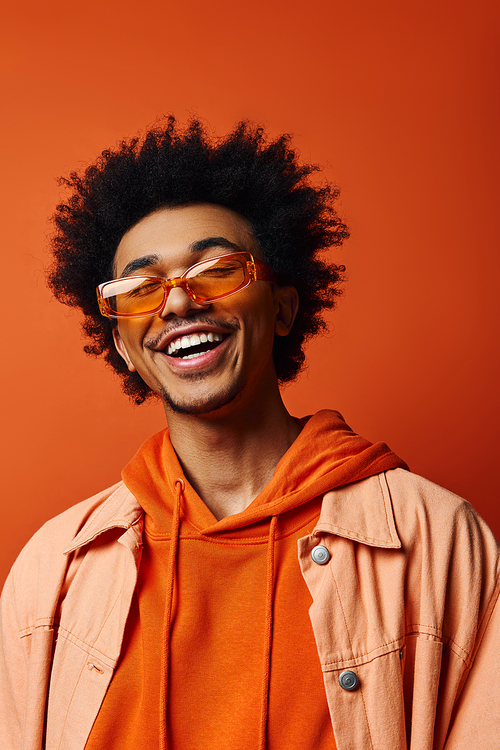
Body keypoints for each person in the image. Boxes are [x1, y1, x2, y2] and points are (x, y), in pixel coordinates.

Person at [0, 118, 498, 750]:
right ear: (123, 345)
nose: (177, 304)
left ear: (284, 306)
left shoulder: (437, 539)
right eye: (141, 288)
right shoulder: (56, 567)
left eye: (216, 270)